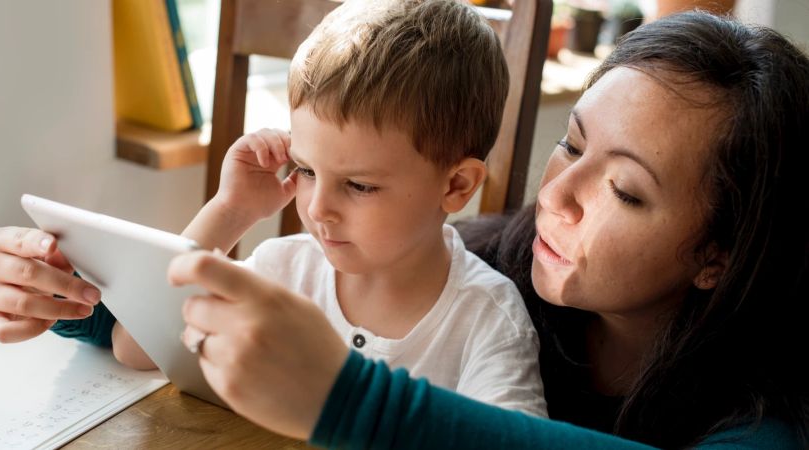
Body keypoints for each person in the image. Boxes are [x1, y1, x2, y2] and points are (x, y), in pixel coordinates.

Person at [171, 11, 809, 449]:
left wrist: (346, 397)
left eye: (623, 190)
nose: (554, 194)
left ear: (717, 255)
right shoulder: (480, 262)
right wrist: (88, 299)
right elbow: (159, 334)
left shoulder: (764, 419)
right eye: (570, 143)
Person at [0, 0, 547, 415]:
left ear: (456, 187)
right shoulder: (285, 267)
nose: (316, 208)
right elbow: (135, 347)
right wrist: (230, 211)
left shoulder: (487, 317)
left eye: (360, 186)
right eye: (304, 170)